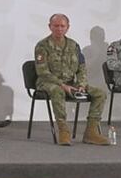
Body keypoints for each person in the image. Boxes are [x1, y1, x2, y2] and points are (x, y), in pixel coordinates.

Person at [33, 14, 109, 146]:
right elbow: (42, 71)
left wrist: (81, 84)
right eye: (56, 26)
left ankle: (91, 132)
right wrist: (62, 85)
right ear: (50, 26)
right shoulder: (42, 46)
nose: (59, 29)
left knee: (100, 93)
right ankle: (63, 131)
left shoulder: (74, 45)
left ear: (68, 27)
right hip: (48, 83)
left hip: (70, 82)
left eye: (62, 26)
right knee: (58, 91)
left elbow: (82, 68)